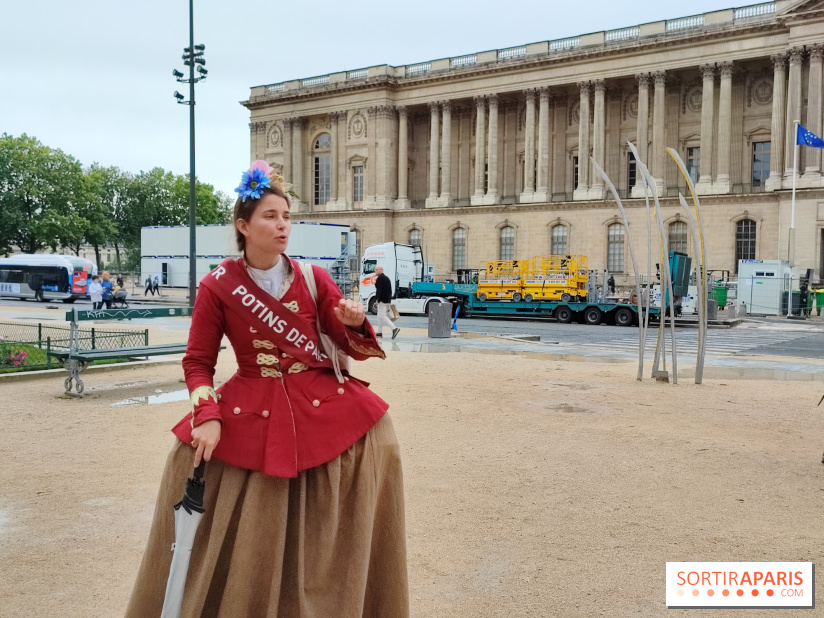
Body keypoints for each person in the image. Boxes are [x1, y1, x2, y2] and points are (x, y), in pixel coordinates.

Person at [126, 161, 408, 617]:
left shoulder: (315, 279)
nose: (283, 226)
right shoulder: (218, 287)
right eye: (271, 217)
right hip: (252, 395)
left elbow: (349, 348)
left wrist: (354, 324)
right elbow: (197, 363)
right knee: (186, 459)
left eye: (287, 217)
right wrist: (209, 416)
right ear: (244, 226)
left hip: (315, 394)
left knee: (380, 434)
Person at [374, 265, 399, 339]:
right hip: (387, 300)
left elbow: (379, 290)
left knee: (382, 316)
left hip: (382, 300)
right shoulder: (386, 278)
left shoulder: (380, 278)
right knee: (379, 316)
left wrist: (377, 299)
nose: (375, 271)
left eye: (376, 269)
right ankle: (379, 332)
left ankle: (394, 328)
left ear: (380, 270)